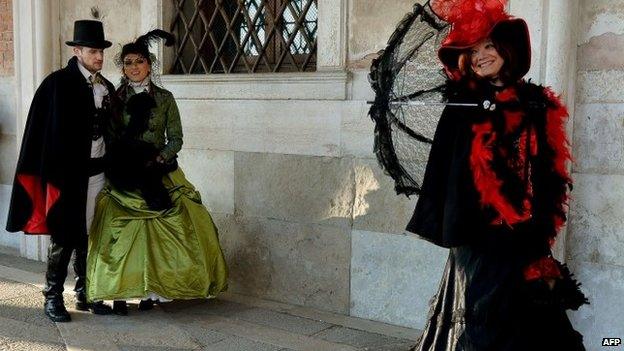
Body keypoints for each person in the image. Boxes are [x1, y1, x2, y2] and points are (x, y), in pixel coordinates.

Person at [406, 1, 588, 350]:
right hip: (481, 237)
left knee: (537, 319)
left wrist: (538, 224)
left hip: (527, 234)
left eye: (488, 46)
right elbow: (450, 174)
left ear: (506, 49)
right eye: (473, 51)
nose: (480, 56)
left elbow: (546, 171)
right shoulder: (463, 107)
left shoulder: (536, 105)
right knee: (484, 323)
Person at [86, 30, 228, 315]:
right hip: (125, 172)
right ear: (123, 67)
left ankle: (156, 290)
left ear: (149, 64)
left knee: (181, 218)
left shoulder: (164, 98)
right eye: (128, 62)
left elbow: (176, 138)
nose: (134, 67)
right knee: (120, 227)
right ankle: (121, 292)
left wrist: (159, 158)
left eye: (139, 61)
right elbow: (110, 135)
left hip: (157, 169)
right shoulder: (115, 96)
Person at [6, 20, 117, 322]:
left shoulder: (106, 86)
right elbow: (40, 132)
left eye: (101, 52)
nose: (99, 57)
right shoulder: (56, 83)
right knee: (65, 234)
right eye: (93, 51)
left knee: (89, 233)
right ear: (78, 50)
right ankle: (52, 295)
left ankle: (85, 292)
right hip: (67, 176)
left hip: (97, 172)